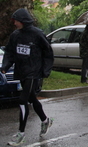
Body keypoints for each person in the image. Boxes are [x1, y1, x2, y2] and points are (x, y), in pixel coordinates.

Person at [0, 8, 54, 146]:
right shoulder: (15, 35)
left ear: (22, 21)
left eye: (16, 21)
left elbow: (48, 52)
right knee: (31, 98)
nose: (14, 23)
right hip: (21, 71)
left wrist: (45, 70)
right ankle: (45, 120)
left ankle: (21, 134)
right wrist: (5, 66)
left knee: (22, 100)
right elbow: (10, 52)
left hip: (33, 72)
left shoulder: (37, 34)